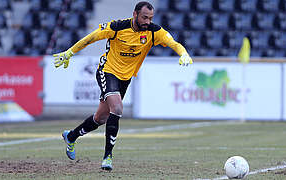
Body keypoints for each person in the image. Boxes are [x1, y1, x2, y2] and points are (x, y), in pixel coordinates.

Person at [53, 1, 193, 171]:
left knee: (101, 118)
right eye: (144, 17)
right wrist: (69, 53)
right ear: (135, 14)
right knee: (117, 108)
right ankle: (107, 157)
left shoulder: (154, 31)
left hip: (125, 78)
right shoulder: (117, 27)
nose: (147, 22)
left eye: (150, 18)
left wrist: (184, 54)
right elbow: (91, 38)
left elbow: (174, 43)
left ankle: (71, 136)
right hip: (108, 71)